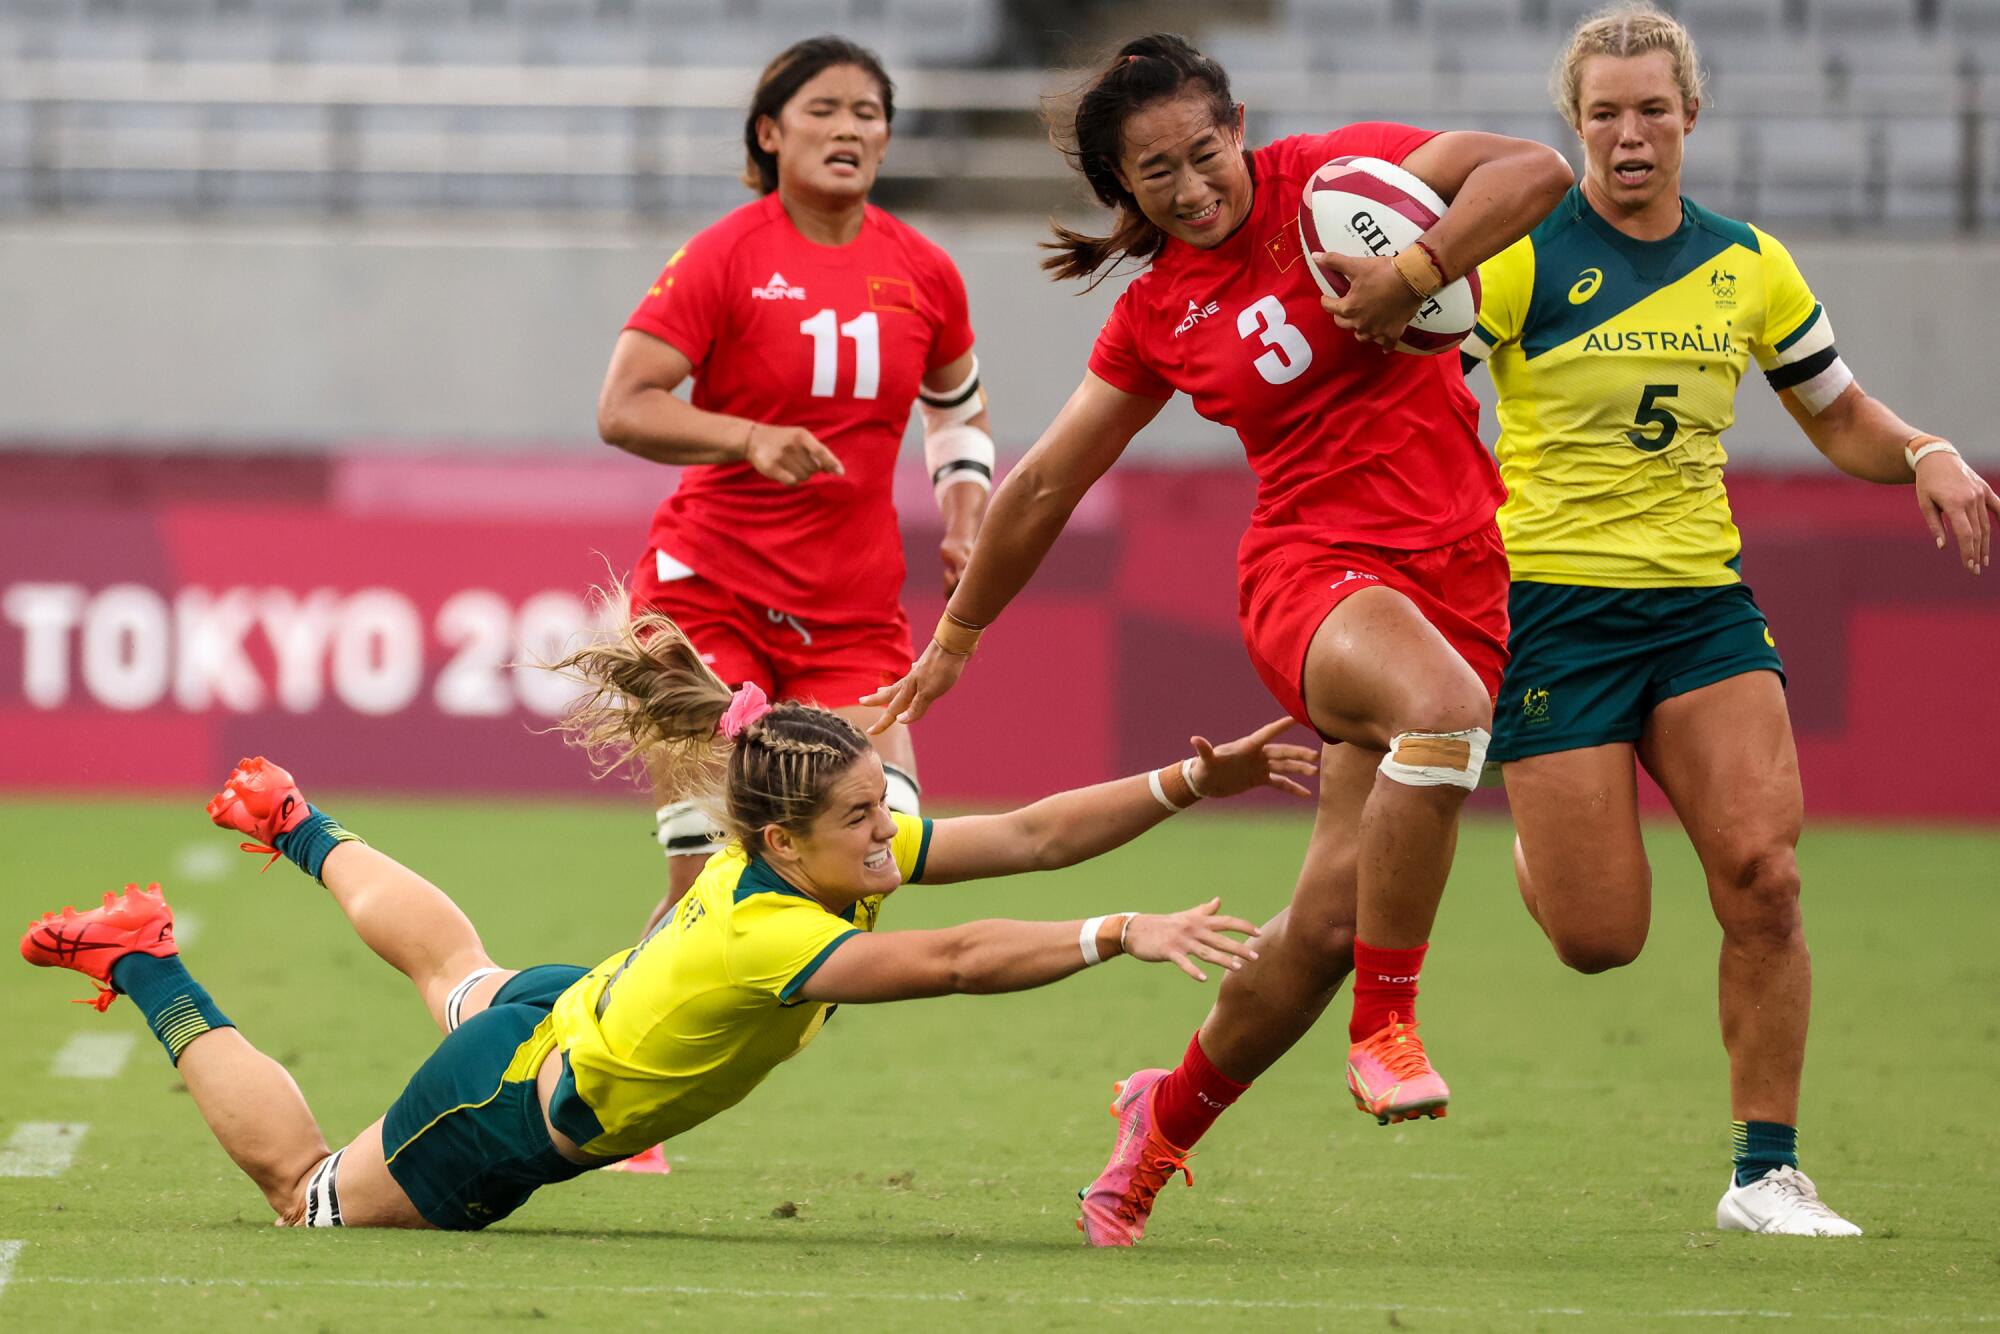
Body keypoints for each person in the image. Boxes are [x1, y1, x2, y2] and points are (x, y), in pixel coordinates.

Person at [863, 33, 1573, 1246]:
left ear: (1237, 125)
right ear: (1119, 191)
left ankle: (1157, 1125)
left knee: (1323, 930)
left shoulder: (1337, 181)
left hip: (1459, 575)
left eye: (1205, 153)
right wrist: (959, 635)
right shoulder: (1155, 314)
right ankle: (1386, 1032)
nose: (1192, 187)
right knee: (1444, 713)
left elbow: (1535, 172)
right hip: (1313, 579)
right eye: (1156, 174)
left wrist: (1418, 267)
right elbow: (1039, 487)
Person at [17, 604, 1313, 1232]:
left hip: (567, 1015)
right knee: (307, 1197)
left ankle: (295, 820)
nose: (893, 833)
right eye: (869, 819)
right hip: (516, 1110)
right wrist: (1112, 933)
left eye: (885, 808)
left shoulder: (817, 854)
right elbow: (961, 958)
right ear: (783, 837)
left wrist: (1197, 776)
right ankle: (148, 958)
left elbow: (1028, 833)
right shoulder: (775, 927)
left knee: (465, 970)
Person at [1459, 5, 1998, 1238]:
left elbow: (1835, 411)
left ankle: (1765, 1172)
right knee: (1599, 939)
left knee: (1763, 877)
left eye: (1651, 108)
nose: (1628, 132)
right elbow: (1423, 384)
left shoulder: (1749, 262)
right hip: (1552, 612)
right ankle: (1543, 846)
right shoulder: (1524, 255)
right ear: (1574, 126)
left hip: (1701, 609)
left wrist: (1921, 446)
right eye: (1603, 113)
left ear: (1689, 116)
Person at [597, 35, 997, 933]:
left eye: (868, 112)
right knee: (709, 880)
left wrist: (967, 515)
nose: (849, 127)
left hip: (852, 608)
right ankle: (619, 1055)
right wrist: (746, 438)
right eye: (823, 109)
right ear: (771, 133)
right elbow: (624, 405)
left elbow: (959, 410)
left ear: (888, 140)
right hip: (711, 590)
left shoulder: (927, 272)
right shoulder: (722, 255)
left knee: (870, 862)